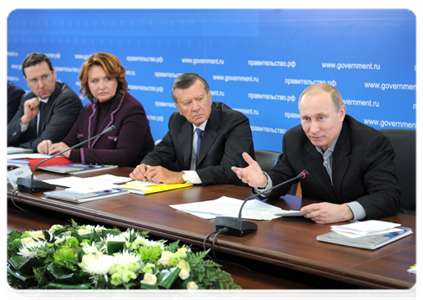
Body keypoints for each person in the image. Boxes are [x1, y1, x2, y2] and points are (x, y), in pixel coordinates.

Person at [232, 83, 401, 224]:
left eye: (321, 118)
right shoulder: (294, 139)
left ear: (341, 113)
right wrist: (263, 182)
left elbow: (388, 196)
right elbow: (282, 178)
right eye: (306, 118)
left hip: (365, 231)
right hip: (316, 229)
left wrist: (346, 211)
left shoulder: (370, 142)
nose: (313, 130)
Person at [130, 73, 255, 186]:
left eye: (200, 99)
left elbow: (230, 170)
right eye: (187, 103)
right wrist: (145, 167)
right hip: (187, 195)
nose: (195, 107)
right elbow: (161, 152)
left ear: (209, 97)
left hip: (225, 195)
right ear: (178, 108)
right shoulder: (177, 121)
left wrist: (181, 176)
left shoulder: (234, 121)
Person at [37, 52, 155, 167]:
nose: (102, 86)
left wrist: (74, 154)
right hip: (96, 177)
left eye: (108, 79)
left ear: (117, 80)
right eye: (95, 81)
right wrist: (50, 146)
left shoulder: (132, 109)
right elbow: (68, 144)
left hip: (128, 179)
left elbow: (124, 156)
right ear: (87, 84)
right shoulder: (88, 110)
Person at [5, 53, 82, 151]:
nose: (41, 85)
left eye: (45, 77)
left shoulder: (67, 100)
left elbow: (43, 142)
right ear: (26, 82)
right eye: (34, 80)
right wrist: (25, 120)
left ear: (54, 73)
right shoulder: (27, 98)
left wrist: (18, 146)